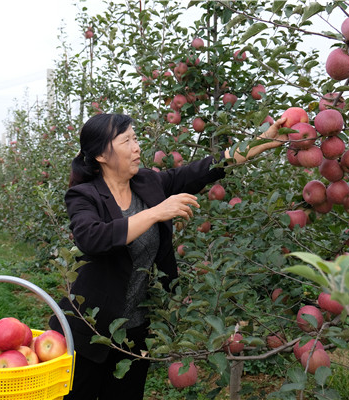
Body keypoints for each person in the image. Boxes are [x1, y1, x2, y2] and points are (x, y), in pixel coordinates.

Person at [49, 113, 286, 399]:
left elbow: (207, 168)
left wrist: (260, 141)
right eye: (127, 141)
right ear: (101, 154)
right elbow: (92, 238)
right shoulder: (84, 195)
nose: (137, 147)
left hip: (133, 333)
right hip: (87, 330)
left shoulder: (148, 183)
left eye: (136, 138)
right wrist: (156, 212)